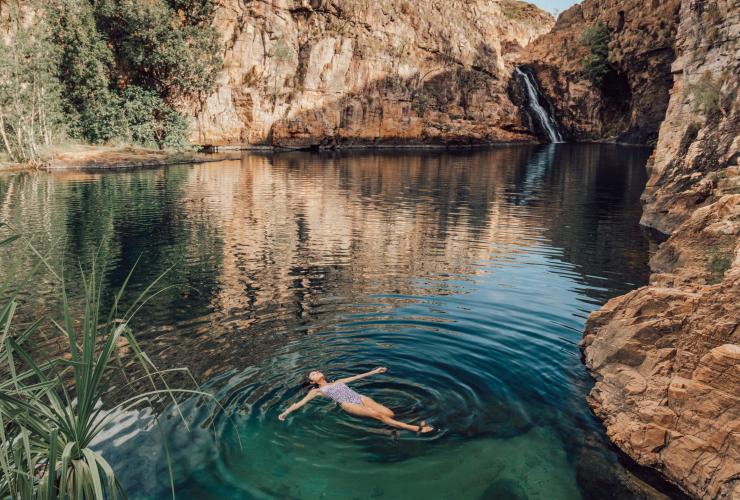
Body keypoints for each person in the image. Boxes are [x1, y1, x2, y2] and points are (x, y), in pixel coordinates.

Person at [278, 367, 433, 433]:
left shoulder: (337, 381)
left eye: (316, 371)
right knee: (380, 416)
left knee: (389, 413)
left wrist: (374, 371)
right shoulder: (316, 391)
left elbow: (357, 377)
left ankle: (390, 429)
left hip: (360, 398)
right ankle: (416, 429)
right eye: (313, 375)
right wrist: (285, 412)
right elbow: (300, 403)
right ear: (312, 381)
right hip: (348, 404)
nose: (316, 373)